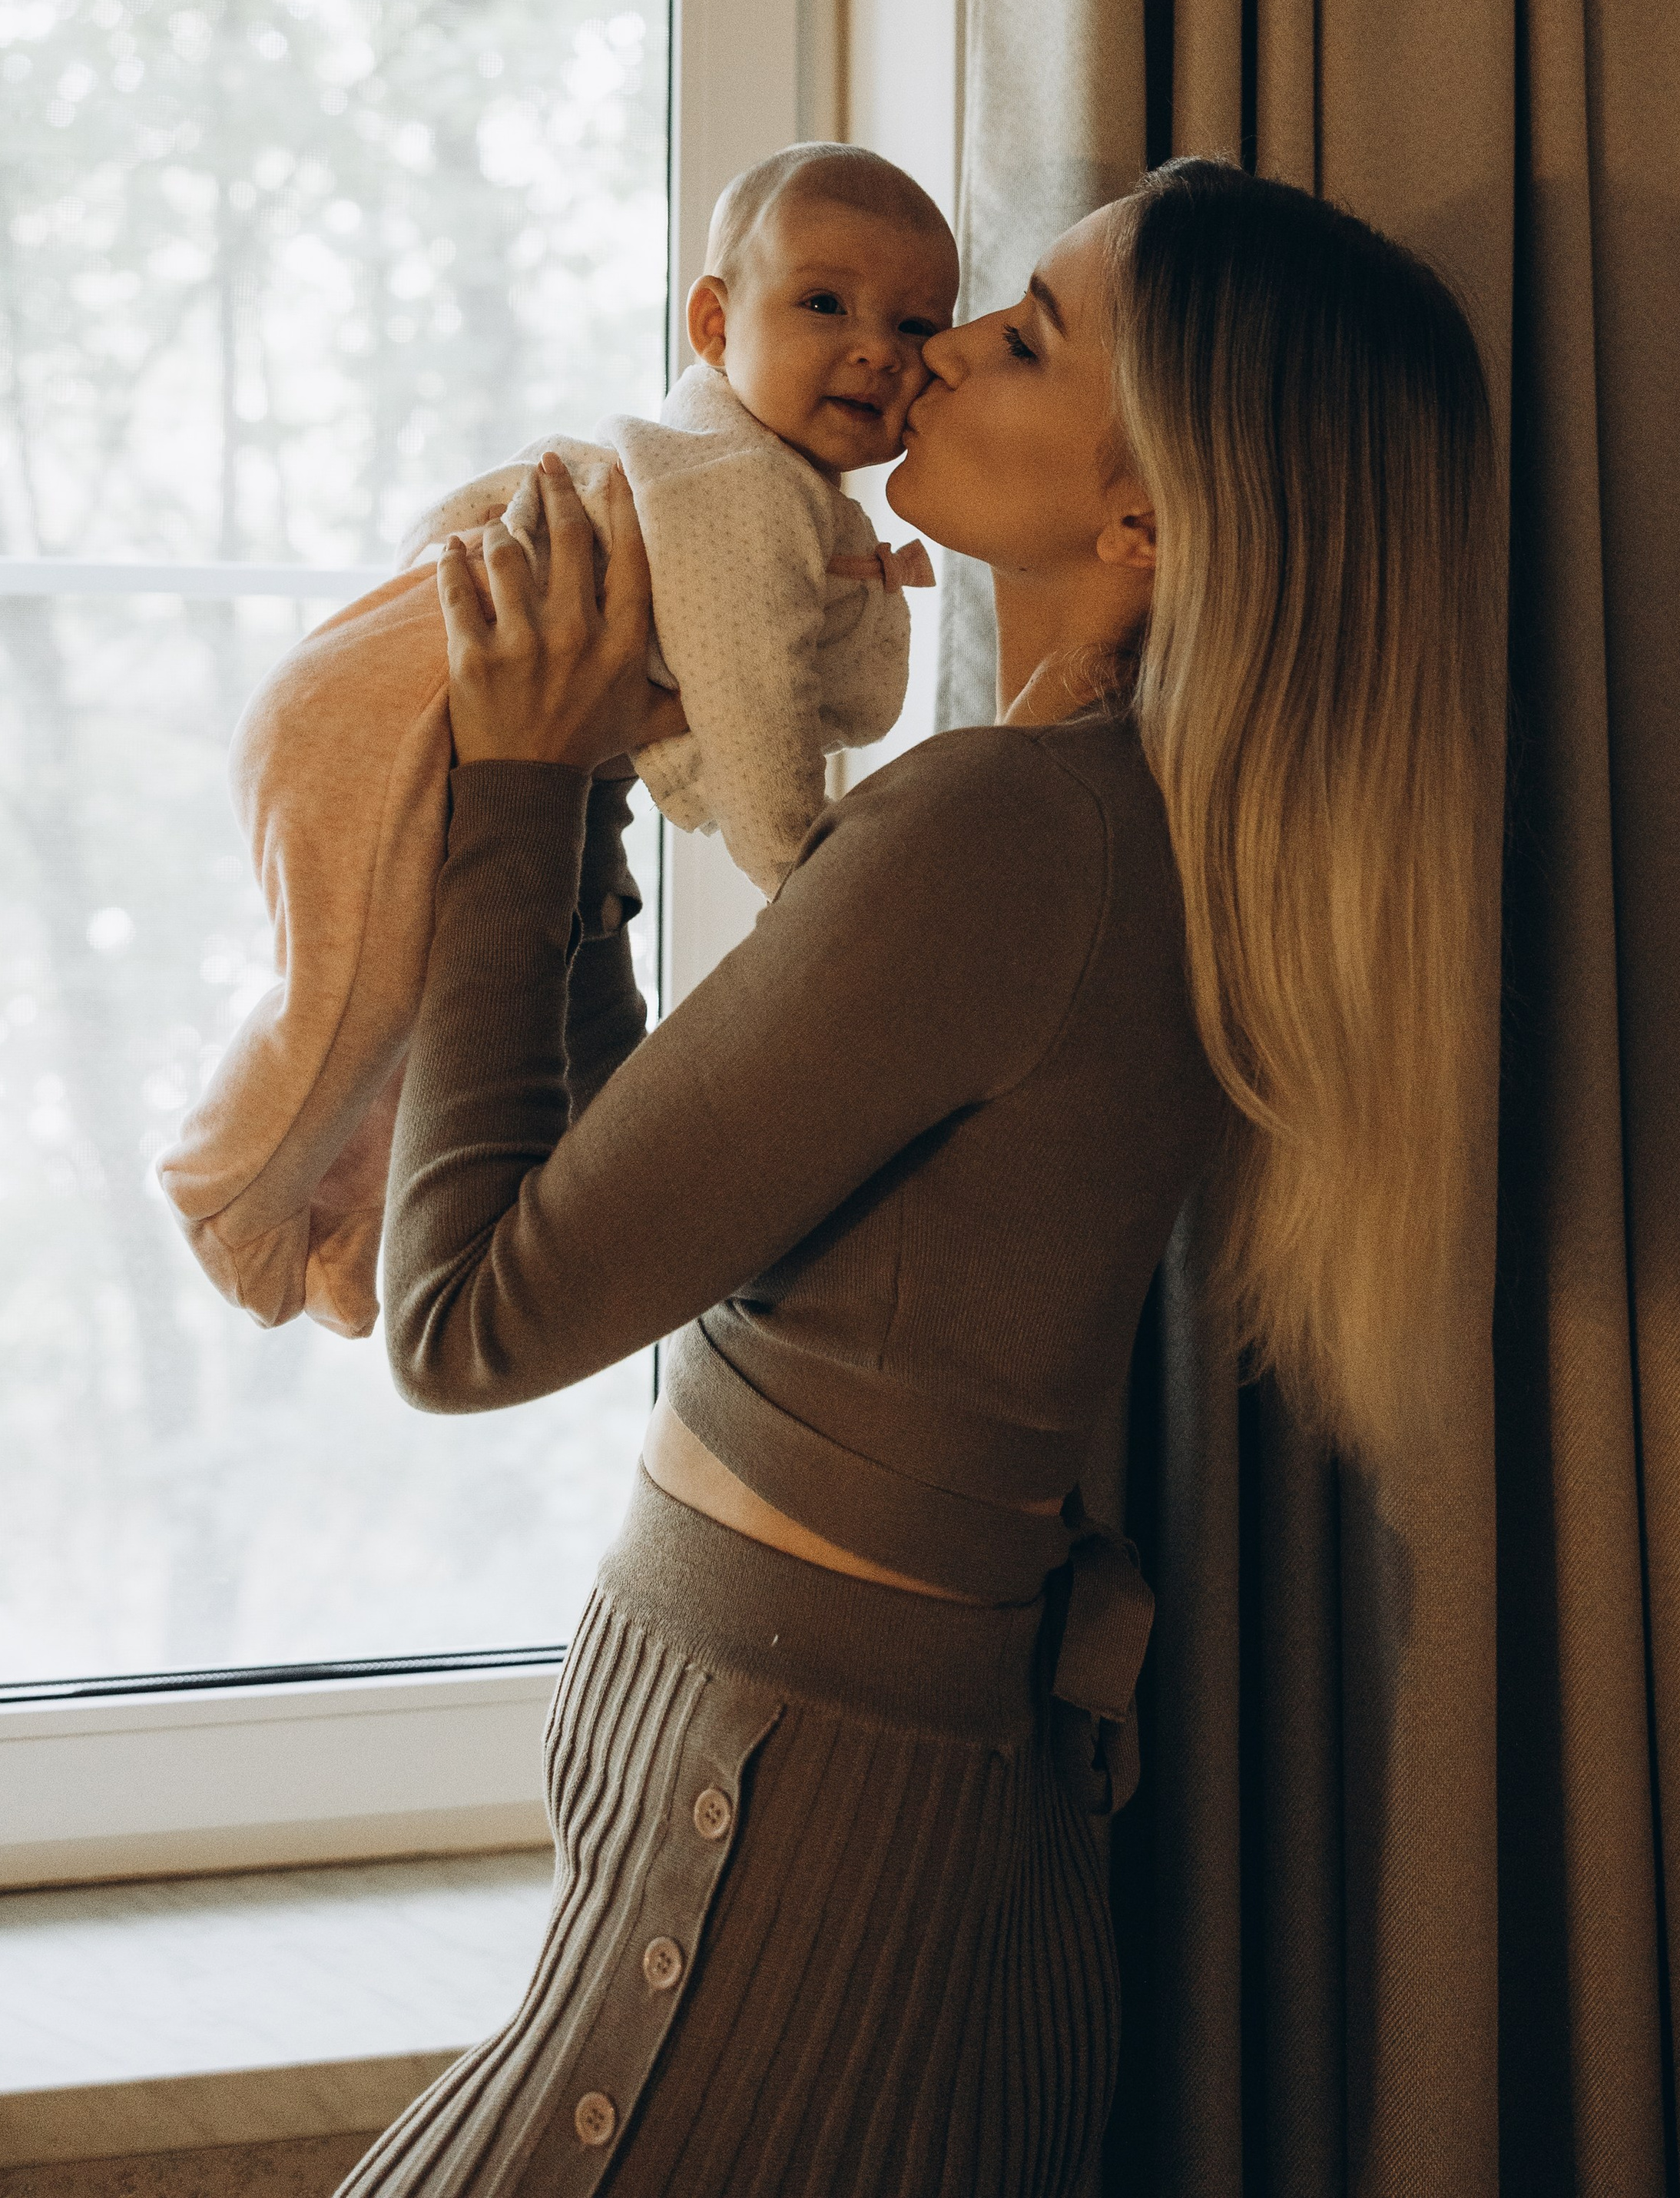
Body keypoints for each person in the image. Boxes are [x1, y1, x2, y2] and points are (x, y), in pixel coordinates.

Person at [335, 158, 1499, 2198]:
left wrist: (513, 785)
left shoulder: (1002, 834)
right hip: (883, 1808)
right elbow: (656, 1208)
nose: (936, 350)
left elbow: (470, 1317)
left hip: (785, 1837)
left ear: (1144, 518)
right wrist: (594, 790)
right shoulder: (1129, 832)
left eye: (1027, 333)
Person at [158, 143, 953, 1344]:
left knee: (424, 997)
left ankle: (341, 1234)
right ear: (712, 323)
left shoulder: (762, 482)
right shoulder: (737, 483)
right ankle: (222, 1196)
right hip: (379, 717)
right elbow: (747, 692)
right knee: (353, 996)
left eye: (917, 326)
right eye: (826, 304)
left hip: (403, 704)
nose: (876, 349)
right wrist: (798, 861)